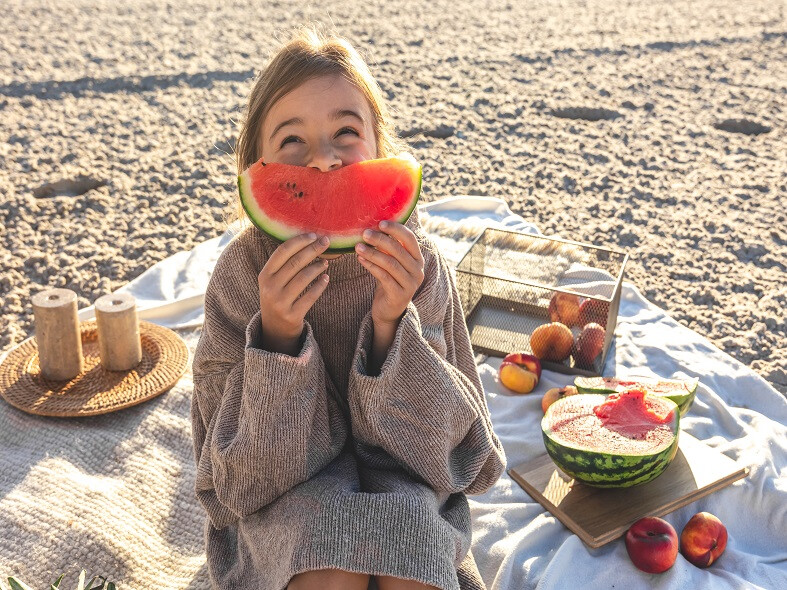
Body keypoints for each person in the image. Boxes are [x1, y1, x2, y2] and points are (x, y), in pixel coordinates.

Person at [190, 25, 506, 590]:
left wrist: (392, 325)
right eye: (292, 142)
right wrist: (278, 339)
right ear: (255, 165)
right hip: (283, 496)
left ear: (379, 149)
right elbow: (234, 481)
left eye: (345, 132)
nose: (324, 164)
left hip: (402, 479)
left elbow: (450, 457)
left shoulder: (418, 264)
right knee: (326, 567)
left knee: (413, 554)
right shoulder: (241, 276)